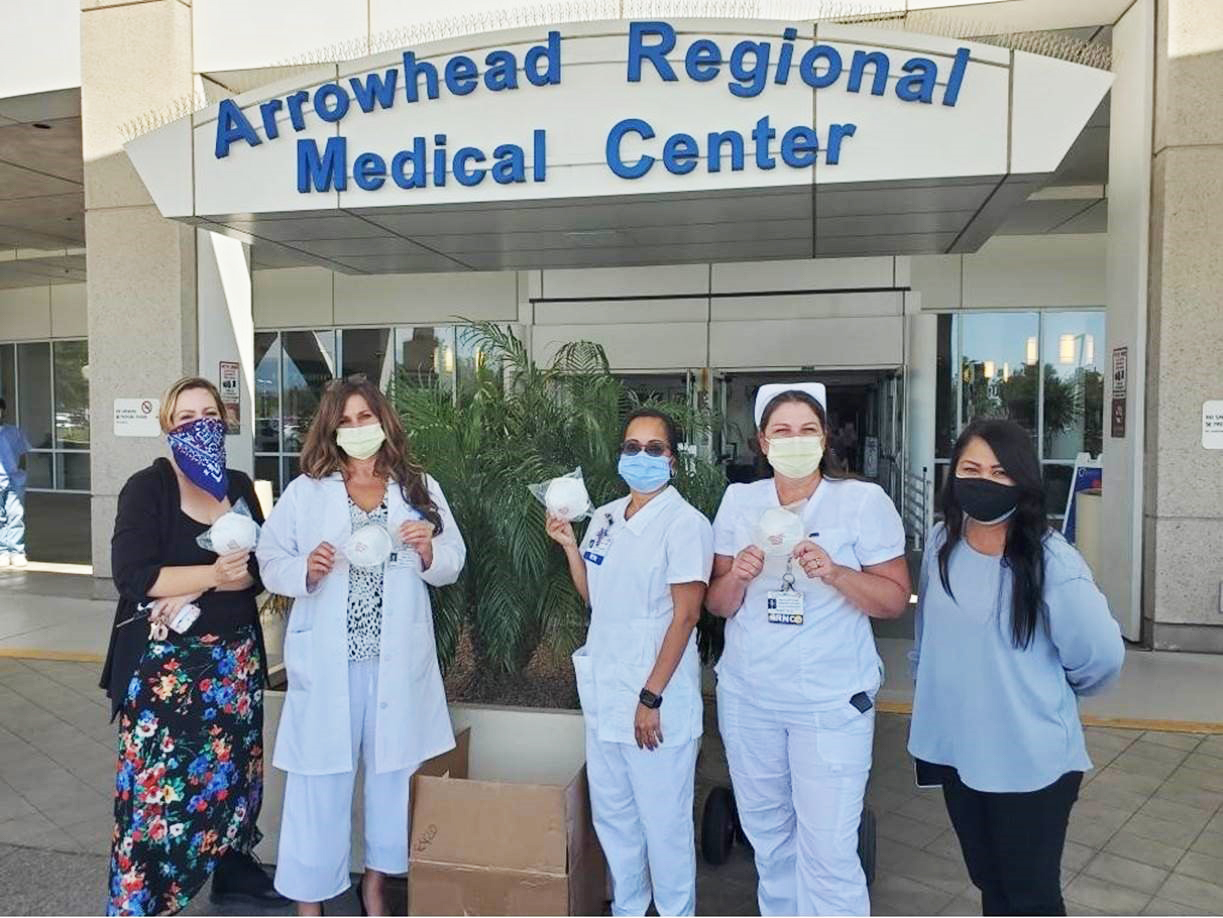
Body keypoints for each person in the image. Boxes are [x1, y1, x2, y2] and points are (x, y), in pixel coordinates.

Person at [256, 377, 463, 917]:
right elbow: (270, 558)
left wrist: (427, 549)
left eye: (365, 418)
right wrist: (306, 568)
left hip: (392, 664)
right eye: (345, 421)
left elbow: (453, 561)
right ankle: (311, 903)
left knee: (390, 781)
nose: (356, 430)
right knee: (317, 783)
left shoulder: (418, 487)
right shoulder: (308, 490)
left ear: (384, 422)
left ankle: (375, 886)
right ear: (330, 429)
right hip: (330, 662)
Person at [705, 383, 911, 917]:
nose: (795, 440)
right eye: (782, 431)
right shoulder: (740, 501)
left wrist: (837, 572)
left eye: (807, 430)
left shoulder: (860, 502)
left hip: (830, 700)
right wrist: (740, 576)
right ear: (762, 442)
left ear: (824, 439)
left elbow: (893, 599)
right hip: (751, 697)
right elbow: (719, 603)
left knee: (829, 849)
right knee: (770, 839)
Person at [908, 418, 1124, 917]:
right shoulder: (944, 542)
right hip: (960, 753)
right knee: (991, 884)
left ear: (1023, 481)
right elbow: (928, 640)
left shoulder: (1052, 562)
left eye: (1000, 472)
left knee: (1029, 897)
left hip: (1030, 763)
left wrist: (1040, 694)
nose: (983, 481)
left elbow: (1101, 659)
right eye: (971, 468)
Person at [101, 377, 283, 916]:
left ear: (223, 423)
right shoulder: (148, 487)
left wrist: (203, 580)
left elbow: (258, 572)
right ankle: (146, 896)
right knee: (163, 789)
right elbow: (133, 575)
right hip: (168, 672)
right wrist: (209, 575)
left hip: (235, 663)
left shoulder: (240, 486)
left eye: (208, 414)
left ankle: (232, 870)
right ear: (167, 428)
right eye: (185, 418)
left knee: (233, 777)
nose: (198, 425)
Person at [546, 408, 713, 917]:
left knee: (663, 824)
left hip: (653, 700)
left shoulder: (686, 525)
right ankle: (629, 908)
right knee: (615, 817)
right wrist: (572, 549)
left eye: (654, 448)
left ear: (673, 460)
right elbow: (595, 597)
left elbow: (685, 618)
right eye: (632, 447)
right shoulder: (606, 517)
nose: (641, 457)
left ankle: (675, 911)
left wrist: (651, 696)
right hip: (606, 691)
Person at [0, 396, 31, 567]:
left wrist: (22, 473)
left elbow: (23, 454)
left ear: (3, 412)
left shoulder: (14, 432)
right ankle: (2, 552)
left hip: (14, 481)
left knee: (15, 515)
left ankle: (17, 551)